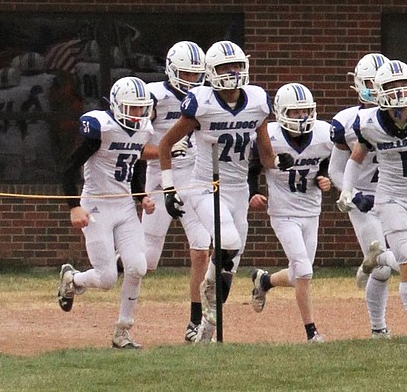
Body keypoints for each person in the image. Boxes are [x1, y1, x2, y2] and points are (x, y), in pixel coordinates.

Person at [157, 40, 275, 342]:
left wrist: (280, 162)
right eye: (225, 67)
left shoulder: (257, 101)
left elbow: (265, 156)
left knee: (230, 265)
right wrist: (170, 188)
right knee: (229, 242)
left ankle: (207, 334)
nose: (232, 72)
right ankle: (207, 286)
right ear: (212, 71)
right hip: (204, 186)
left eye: (236, 65)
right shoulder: (202, 102)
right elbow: (165, 145)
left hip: (236, 189)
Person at [336, 59, 407, 343]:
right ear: (379, 90)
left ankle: (381, 257)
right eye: (392, 87)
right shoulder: (370, 122)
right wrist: (347, 190)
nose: (399, 92)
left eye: (403, 85)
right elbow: (354, 160)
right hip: (390, 198)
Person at [55, 76, 155, 349]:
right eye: (131, 108)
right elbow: (70, 166)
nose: (137, 114)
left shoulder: (143, 130)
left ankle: (123, 330)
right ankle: (73, 279)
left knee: (137, 266)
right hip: (97, 204)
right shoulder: (103, 127)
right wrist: (74, 205)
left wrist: (141, 195)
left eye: (140, 108)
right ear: (117, 105)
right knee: (107, 277)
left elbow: (132, 168)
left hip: (123, 206)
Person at [139, 41, 212, 343]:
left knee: (201, 249)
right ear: (170, 70)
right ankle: (84, 276)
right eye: (186, 74)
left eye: (197, 75)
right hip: (160, 178)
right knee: (148, 263)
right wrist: (164, 150)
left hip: (193, 179)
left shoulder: (206, 98)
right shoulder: (154, 96)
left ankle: (196, 320)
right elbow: (137, 149)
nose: (192, 81)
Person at [249, 83, 332, 343]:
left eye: (306, 111)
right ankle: (311, 331)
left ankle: (264, 282)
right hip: (283, 212)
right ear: (281, 112)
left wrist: (324, 177)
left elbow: (327, 163)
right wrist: (252, 192)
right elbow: (253, 167)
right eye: (296, 112)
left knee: (298, 275)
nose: (302, 117)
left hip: (310, 210)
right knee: (305, 271)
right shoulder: (269, 136)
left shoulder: (323, 134)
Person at [328, 52, 400, 338]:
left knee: (389, 261)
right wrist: (354, 195)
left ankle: (371, 263)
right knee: (384, 266)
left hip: (394, 194)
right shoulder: (346, 121)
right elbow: (336, 170)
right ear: (358, 84)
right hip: (363, 198)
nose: (376, 88)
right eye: (369, 82)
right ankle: (378, 328)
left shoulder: (401, 114)